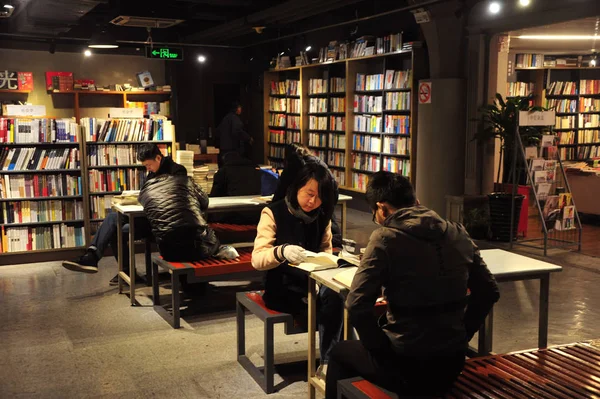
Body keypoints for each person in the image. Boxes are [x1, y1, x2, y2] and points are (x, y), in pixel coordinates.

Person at [325, 171, 500, 398]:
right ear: (416, 202)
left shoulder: (386, 238)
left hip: (407, 364)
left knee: (339, 353)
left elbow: (357, 306)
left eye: (375, 214)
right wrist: (463, 334)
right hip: (452, 361)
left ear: (382, 208)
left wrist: (382, 352)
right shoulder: (458, 232)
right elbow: (489, 291)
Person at [252, 163, 342, 377]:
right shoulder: (273, 212)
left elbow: (325, 250)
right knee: (335, 308)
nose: (313, 202)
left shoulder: (322, 215)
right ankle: (335, 359)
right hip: (282, 288)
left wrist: (323, 274)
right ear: (296, 188)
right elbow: (257, 259)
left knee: (341, 298)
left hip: (313, 284)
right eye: (309, 194)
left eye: (319, 197)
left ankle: (331, 362)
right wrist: (281, 252)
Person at [61, 144, 187, 284]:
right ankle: (106, 262)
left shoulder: (177, 171)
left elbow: (174, 198)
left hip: (162, 223)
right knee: (113, 223)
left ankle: (98, 259)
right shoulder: (152, 174)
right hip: (148, 217)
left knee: (114, 224)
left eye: (148, 165)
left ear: (158, 157)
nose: (147, 168)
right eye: (145, 166)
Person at [138, 173, 220, 263]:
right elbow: (205, 202)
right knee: (209, 230)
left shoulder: (144, 192)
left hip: (168, 252)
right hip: (198, 248)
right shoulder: (186, 181)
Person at [273, 143, 342, 248]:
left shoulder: (296, 166)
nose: (312, 200)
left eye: (318, 196)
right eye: (310, 194)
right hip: (327, 216)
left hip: (320, 217)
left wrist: (276, 208)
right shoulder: (320, 165)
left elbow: (280, 191)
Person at [209, 151, 263, 225]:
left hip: (234, 216)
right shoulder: (257, 170)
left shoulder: (223, 172)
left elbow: (214, 195)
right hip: (257, 215)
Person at [215, 101, 253, 167]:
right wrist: (248, 138)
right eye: (240, 107)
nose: (241, 109)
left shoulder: (226, 118)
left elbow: (218, 131)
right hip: (232, 148)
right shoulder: (234, 118)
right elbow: (237, 131)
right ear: (236, 109)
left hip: (224, 147)